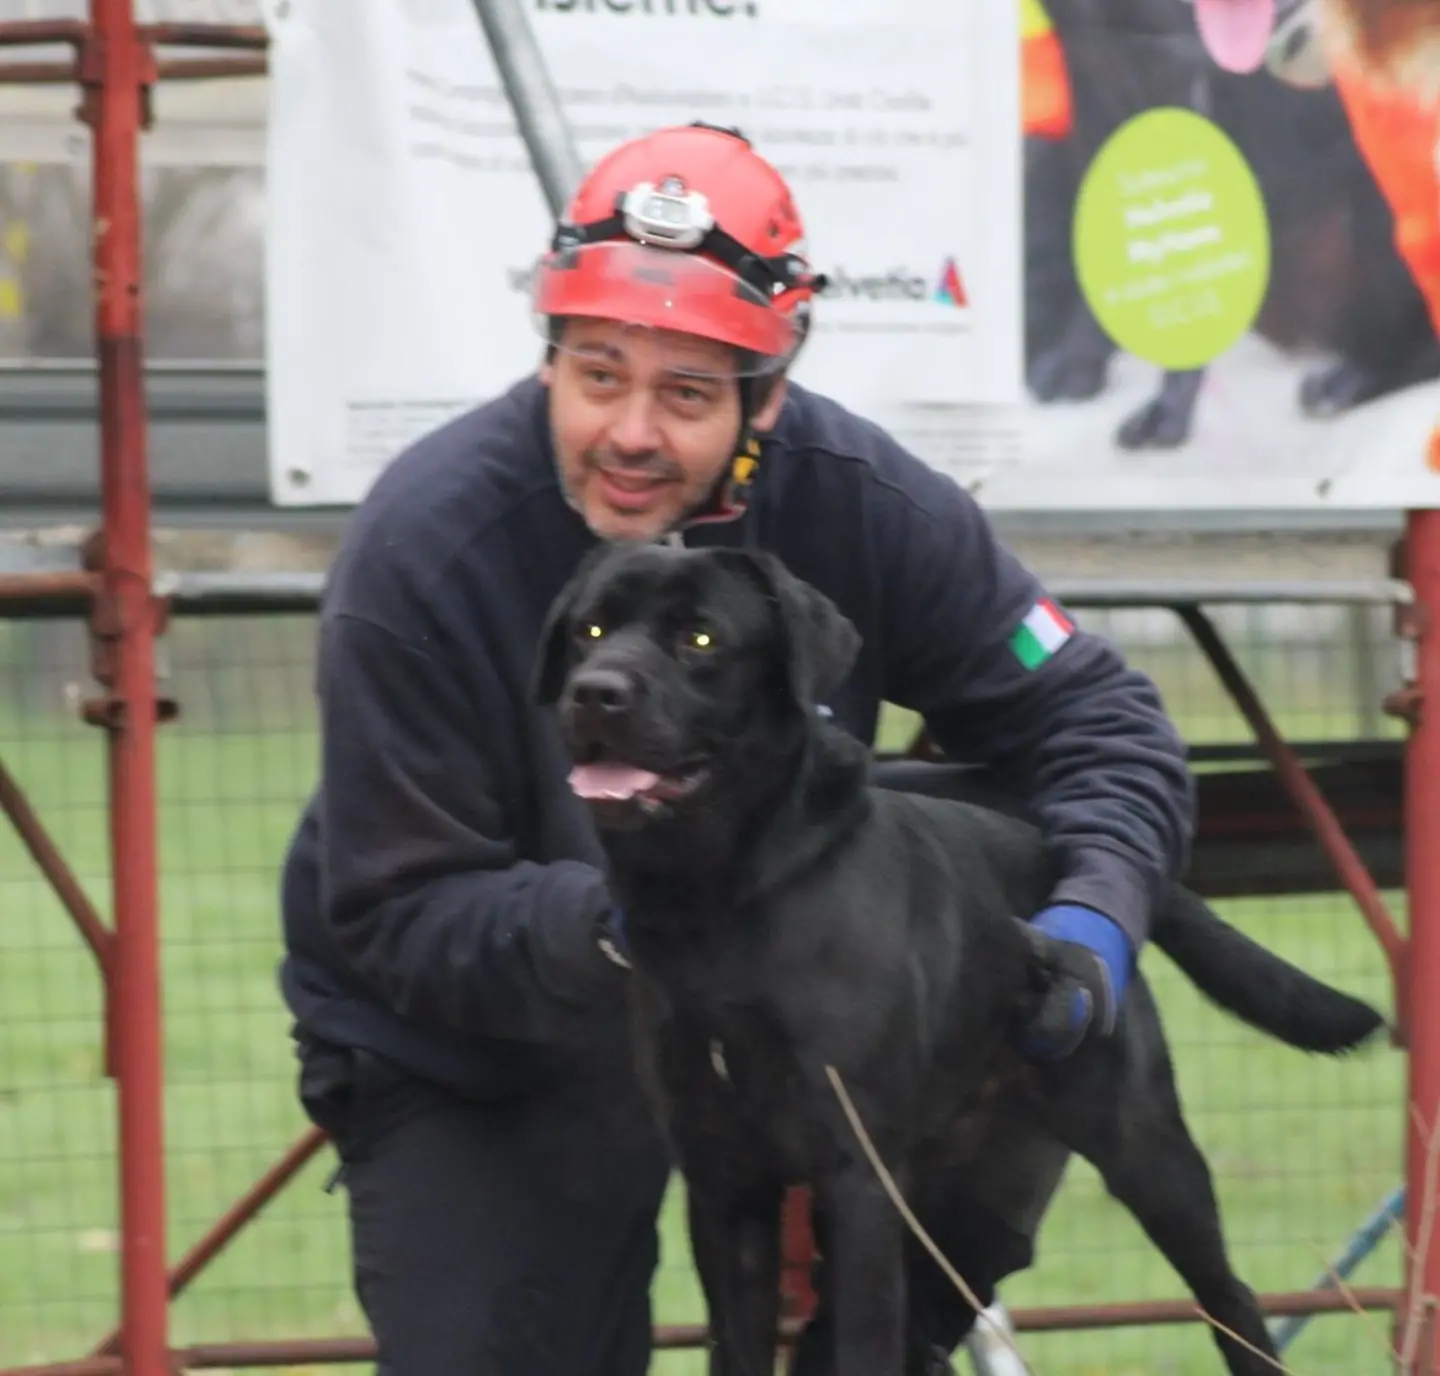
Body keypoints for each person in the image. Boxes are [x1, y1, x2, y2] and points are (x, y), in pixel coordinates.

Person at [278, 121, 1196, 1374]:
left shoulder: (867, 503)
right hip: (488, 1051)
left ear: (769, 396)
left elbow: (1102, 726)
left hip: (812, 1031)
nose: (632, 431)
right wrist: (646, 933)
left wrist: (1093, 917)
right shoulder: (424, 548)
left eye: (689, 392)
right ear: (547, 357)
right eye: (597, 374)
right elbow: (400, 905)